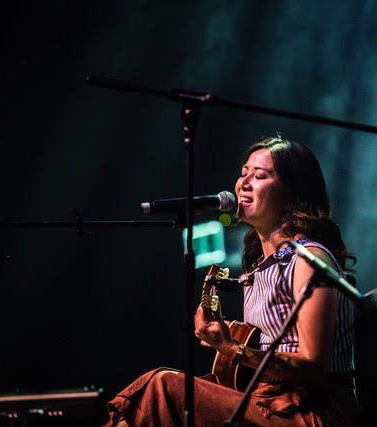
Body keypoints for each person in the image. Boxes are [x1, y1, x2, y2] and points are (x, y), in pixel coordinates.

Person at [102, 137, 359, 426]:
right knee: (145, 407)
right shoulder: (259, 266)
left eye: (259, 176)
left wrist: (233, 349)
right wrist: (230, 338)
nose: (243, 183)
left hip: (313, 410)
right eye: (244, 173)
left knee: (163, 388)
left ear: (291, 194)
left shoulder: (309, 260)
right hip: (269, 400)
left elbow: (313, 367)